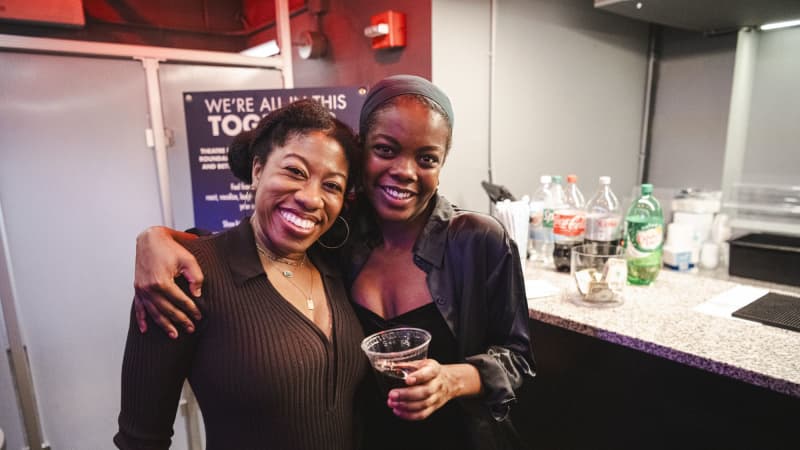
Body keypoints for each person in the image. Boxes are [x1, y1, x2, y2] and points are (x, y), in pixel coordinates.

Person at [133, 75, 535, 450]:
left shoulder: (477, 240)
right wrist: (158, 238)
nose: (405, 171)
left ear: (441, 165)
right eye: (385, 150)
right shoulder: (341, 233)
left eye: (427, 159)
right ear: (363, 155)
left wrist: (452, 379)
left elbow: (518, 358)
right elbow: (254, 244)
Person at [114, 99, 366, 450]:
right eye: (295, 171)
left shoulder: (337, 267)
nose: (311, 198)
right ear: (258, 169)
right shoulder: (186, 278)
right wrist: (152, 236)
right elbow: (140, 439)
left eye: (332, 186)